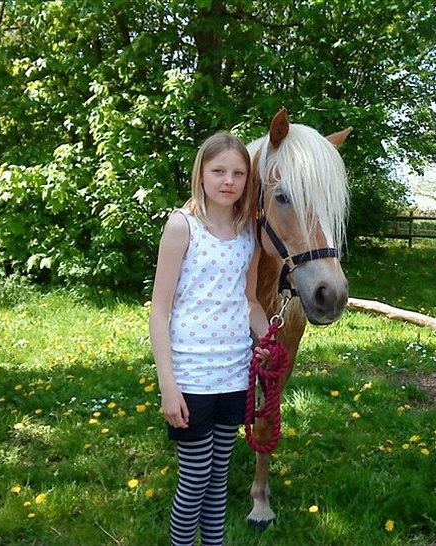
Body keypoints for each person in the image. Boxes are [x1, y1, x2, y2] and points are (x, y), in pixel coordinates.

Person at [149, 131, 270, 546]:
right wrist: (168, 384)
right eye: (218, 171)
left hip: (233, 375)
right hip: (192, 377)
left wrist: (269, 338)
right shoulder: (182, 227)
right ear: (200, 173)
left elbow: (250, 299)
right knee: (195, 478)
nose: (228, 181)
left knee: (219, 478)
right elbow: (159, 310)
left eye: (238, 173)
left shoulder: (249, 233)